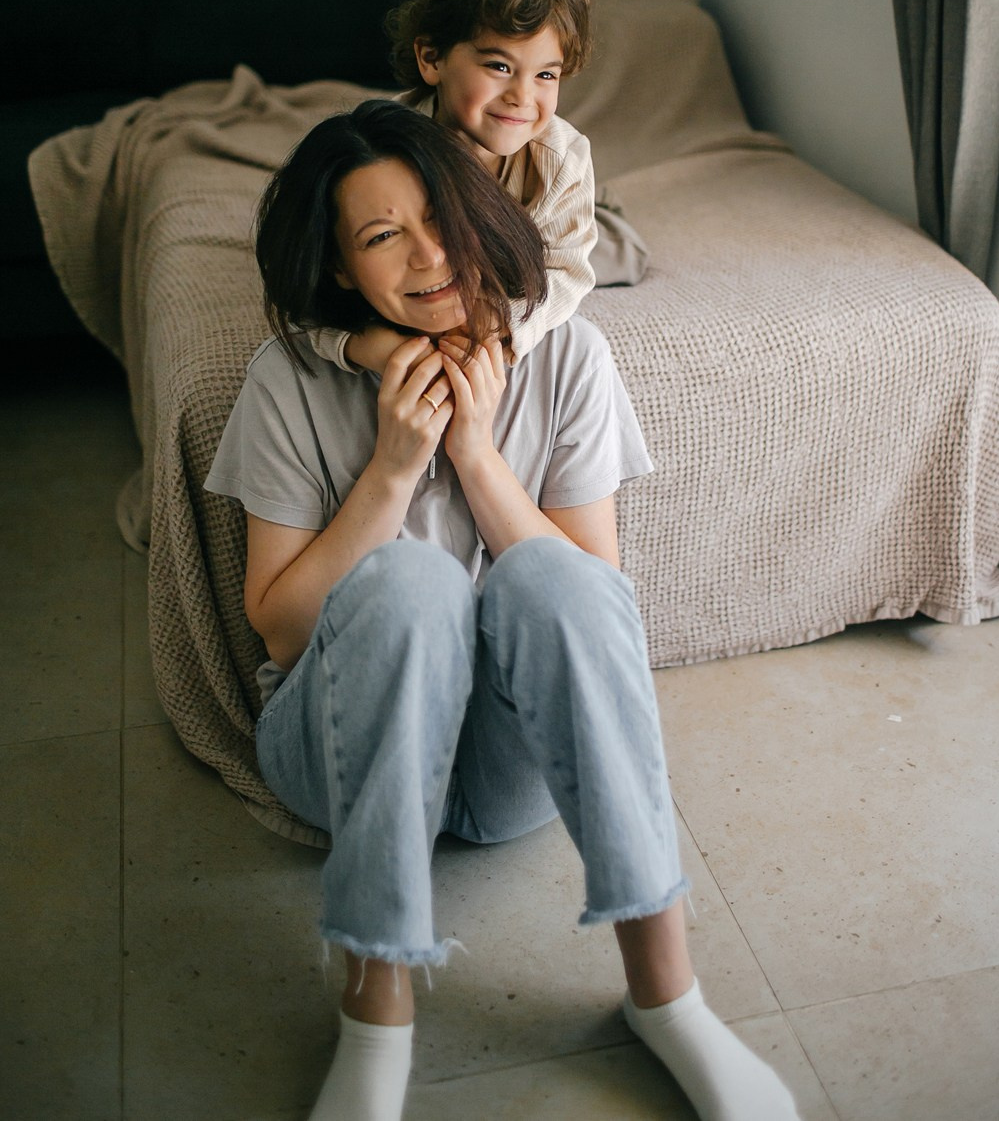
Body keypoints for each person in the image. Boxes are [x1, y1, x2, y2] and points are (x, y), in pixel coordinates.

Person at [205, 100, 798, 1121]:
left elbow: (590, 603)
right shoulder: (286, 381)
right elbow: (279, 628)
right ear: (343, 270)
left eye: (441, 216)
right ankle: (374, 1022)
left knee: (557, 576)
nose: (431, 254)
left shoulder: (568, 361)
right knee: (411, 580)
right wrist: (391, 475)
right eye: (384, 235)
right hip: (334, 754)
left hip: (505, 769)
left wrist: (475, 457)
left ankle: (668, 996)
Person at [316, 0, 644, 379]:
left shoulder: (559, 159)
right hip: (479, 249)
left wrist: (500, 324)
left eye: (546, 76)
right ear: (432, 59)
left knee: (613, 253)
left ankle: (602, 209)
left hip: (542, 233)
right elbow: (305, 294)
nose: (522, 97)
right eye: (499, 66)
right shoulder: (385, 150)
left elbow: (567, 271)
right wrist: (356, 344)